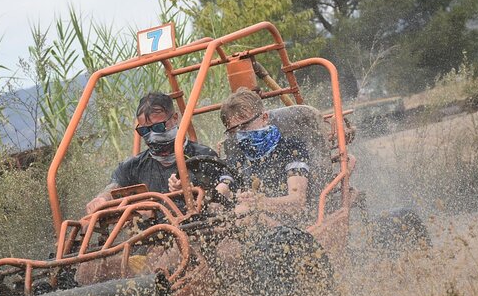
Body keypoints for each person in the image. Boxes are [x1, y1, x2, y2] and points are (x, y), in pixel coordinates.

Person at [85, 91, 217, 213]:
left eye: (158, 127)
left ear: (175, 118)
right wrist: (102, 199)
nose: (152, 136)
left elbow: (226, 191)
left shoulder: (203, 157)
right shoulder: (132, 167)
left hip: (198, 230)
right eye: (144, 131)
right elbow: (113, 188)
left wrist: (192, 190)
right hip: (152, 235)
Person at [216, 87, 310, 220]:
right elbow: (222, 189)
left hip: (292, 223)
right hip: (249, 224)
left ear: (264, 118)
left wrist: (257, 203)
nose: (240, 134)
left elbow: (297, 201)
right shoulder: (236, 155)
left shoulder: (291, 147)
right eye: (233, 131)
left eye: (244, 126)